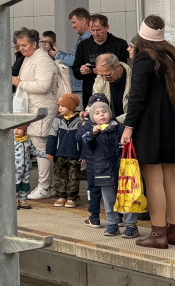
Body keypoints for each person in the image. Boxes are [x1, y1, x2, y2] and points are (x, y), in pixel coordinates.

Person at [120, 15, 175, 249]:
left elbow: (137, 97)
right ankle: (172, 230)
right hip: (171, 125)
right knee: (170, 179)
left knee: (153, 181)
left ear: (142, 36)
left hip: (151, 128)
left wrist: (128, 126)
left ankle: (158, 233)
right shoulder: (170, 55)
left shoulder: (145, 58)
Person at [81, 97, 139, 238]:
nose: (102, 115)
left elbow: (127, 142)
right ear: (92, 118)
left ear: (110, 113)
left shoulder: (119, 128)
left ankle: (131, 224)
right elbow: (87, 145)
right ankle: (112, 223)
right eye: (97, 113)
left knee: (127, 196)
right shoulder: (91, 132)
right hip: (102, 170)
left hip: (121, 169)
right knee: (108, 199)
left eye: (104, 111)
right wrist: (92, 134)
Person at [12, 27, 59, 200]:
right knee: (41, 147)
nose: (21, 48)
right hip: (34, 108)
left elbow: (43, 86)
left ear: (34, 44)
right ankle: (49, 186)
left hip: (43, 109)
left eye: (24, 45)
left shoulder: (42, 59)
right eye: (19, 46)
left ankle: (44, 186)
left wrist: (20, 82)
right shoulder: (29, 58)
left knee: (41, 148)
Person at [73, 13, 129, 107]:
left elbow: (125, 69)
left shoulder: (120, 44)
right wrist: (81, 70)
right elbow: (76, 71)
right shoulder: (83, 45)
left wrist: (106, 71)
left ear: (107, 27)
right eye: (92, 30)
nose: (96, 33)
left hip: (115, 91)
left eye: (99, 30)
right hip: (90, 91)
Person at [45, 93, 82, 208]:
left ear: (71, 107)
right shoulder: (57, 120)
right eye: (59, 106)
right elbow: (52, 136)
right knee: (60, 175)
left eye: (62, 106)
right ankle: (61, 196)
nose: (60, 108)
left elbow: (83, 139)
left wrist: (83, 154)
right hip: (59, 154)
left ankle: (72, 197)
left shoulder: (80, 120)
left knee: (73, 176)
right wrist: (50, 151)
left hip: (74, 154)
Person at [51, 7, 91, 94]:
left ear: (84, 21)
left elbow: (74, 60)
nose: (72, 26)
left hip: (81, 87)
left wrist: (57, 55)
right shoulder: (82, 38)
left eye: (74, 22)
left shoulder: (87, 39)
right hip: (79, 86)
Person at [92, 53, 131, 122]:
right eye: (101, 75)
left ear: (118, 67)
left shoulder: (134, 77)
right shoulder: (100, 78)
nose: (105, 79)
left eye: (108, 75)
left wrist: (114, 121)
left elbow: (136, 110)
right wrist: (89, 112)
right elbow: (95, 101)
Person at [14, 125, 40, 209]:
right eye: (14, 128)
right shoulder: (11, 141)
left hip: (26, 169)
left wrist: (44, 155)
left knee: (25, 185)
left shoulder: (28, 140)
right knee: (15, 185)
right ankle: (13, 200)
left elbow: (34, 151)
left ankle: (22, 200)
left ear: (24, 131)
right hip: (15, 169)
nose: (16, 131)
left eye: (19, 129)